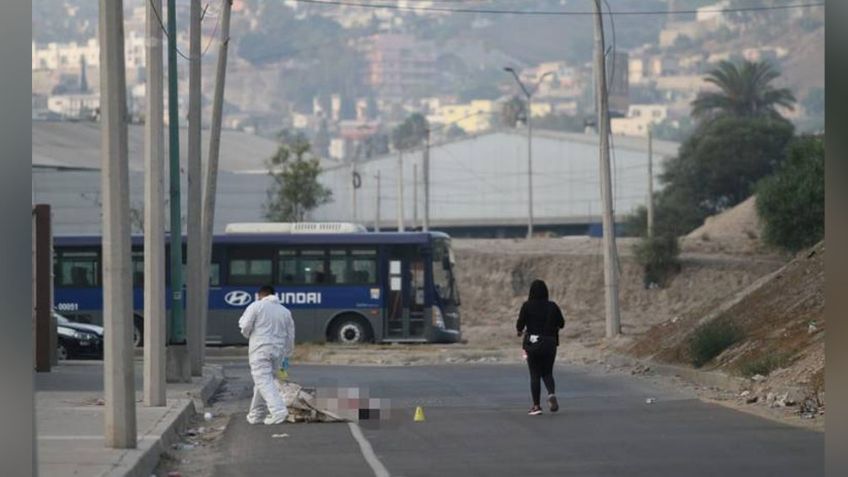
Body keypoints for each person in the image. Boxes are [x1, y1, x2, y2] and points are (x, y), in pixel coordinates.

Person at [238, 285, 296, 425]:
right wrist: (287, 354)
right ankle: (256, 414)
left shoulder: (256, 306)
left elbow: (245, 326)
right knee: (264, 381)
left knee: (262, 380)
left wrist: (247, 334)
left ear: (259, 295)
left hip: (260, 349)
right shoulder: (285, 311)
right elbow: (290, 335)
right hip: (279, 352)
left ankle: (278, 411)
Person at [515, 279, 565, 416]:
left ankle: (536, 406)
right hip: (550, 342)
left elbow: (519, 325)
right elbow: (562, 323)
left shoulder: (526, 306)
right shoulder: (552, 306)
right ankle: (551, 393)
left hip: (533, 342)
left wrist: (520, 331)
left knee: (535, 374)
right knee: (548, 372)